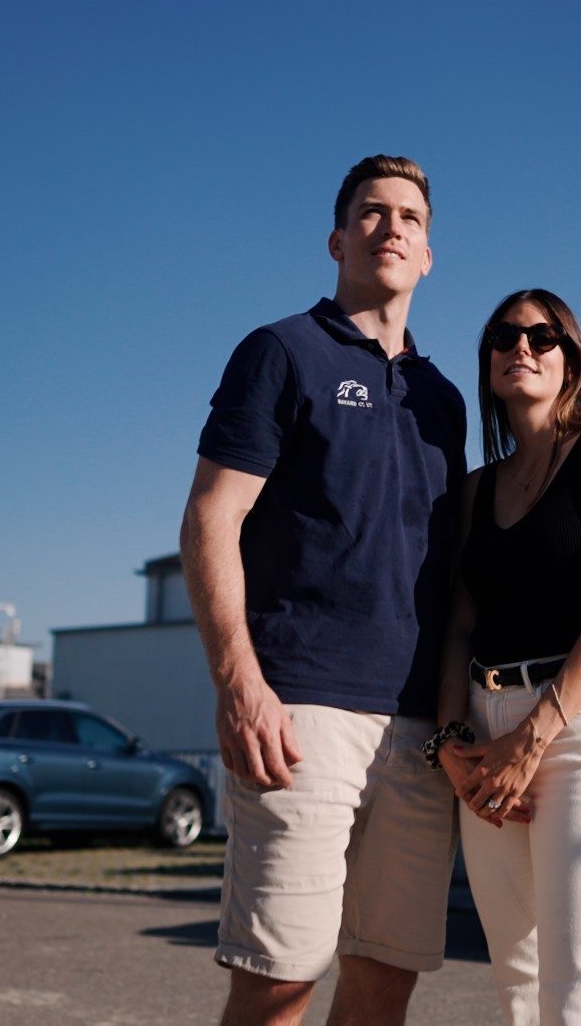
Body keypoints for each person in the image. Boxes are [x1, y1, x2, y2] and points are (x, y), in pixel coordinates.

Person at [181, 155, 466, 1026]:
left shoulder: (445, 401)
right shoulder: (281, 352)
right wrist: (241, 687)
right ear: (338, 239)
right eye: (372, 213)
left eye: (410, 218)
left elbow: (452, 575)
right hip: (299, 714)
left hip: (416, 730)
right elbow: (209, 520)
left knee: (384, 982)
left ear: (428, 256)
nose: (392, 227)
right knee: (280, 983)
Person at [430, 288, 581, 1025]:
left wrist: (535, 737)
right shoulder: (473, 490)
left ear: (571, 359)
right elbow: (458, 626)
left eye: (541, 335)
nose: (519, 347)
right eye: (503, 336)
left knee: (576, 983)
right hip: (484, 721)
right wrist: (451, 743)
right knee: (517, 983)